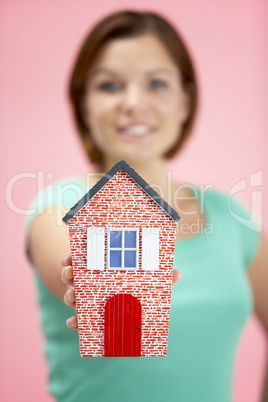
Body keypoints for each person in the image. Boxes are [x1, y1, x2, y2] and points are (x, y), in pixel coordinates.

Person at [25, 10, 268, 402]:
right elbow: (65, 255)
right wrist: (87, 278)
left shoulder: (230, 217)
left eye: (157, 83)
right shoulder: (58, 206)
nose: (133, 104)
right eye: (109, 86)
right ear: (83, 103)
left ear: (185, 101)